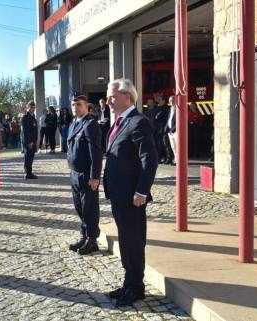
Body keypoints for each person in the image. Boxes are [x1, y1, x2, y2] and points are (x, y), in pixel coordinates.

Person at [102, 79, 158, 306]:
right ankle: (129, 283)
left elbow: (150, 160)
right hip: (119, 195)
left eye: (112, 97)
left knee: (134, 242)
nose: (108, 101)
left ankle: (136, 287)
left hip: (132, 196)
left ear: (127, 96)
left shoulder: (138, 122)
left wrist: (142, 191)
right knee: (126, 241)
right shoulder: (119, 122)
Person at [66, 95, 102, 255]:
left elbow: (96, 153)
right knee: (79, 207)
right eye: (73, 104)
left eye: (78, 104)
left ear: (86, 106)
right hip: (75, 174)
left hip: (87, 175)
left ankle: (92, 240)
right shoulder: (74, 123)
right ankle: (84, 235)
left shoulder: (91, 124)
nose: (75, 107)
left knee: (90, 208)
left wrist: (95, 177)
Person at [21, 101, 38, 179]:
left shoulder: (33, 116)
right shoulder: (25, 117)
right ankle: (28, 173)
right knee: (28, 157)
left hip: (33, 141)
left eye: (34, 107)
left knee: (31, 157)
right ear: (27, 108)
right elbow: (25, 131)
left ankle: (29, 172)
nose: (32, 108)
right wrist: (29, 142)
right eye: (31, 107)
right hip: (29, 141)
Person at [154, 94, 171, 164]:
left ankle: (167, 157)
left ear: (164, 101)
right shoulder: (159, 107)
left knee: (165, 144)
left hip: (164, 128)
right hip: (159, 129)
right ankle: (161, 157)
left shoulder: (166, 108)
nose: (158, 102)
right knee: (159, 144)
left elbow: (157, 117)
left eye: (160, 100)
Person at [165, 96, 177, 165]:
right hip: (170, 131)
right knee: (173, 146)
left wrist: (172, 129)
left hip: (175, 131)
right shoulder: (171, 109)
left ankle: (177, 161)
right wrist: (166, 128)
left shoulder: (177, 109)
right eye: (170, 101)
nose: (171, 102)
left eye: (172, 100)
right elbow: (169, 119)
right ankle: (175, 160)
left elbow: (178, 121)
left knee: (177, 146)